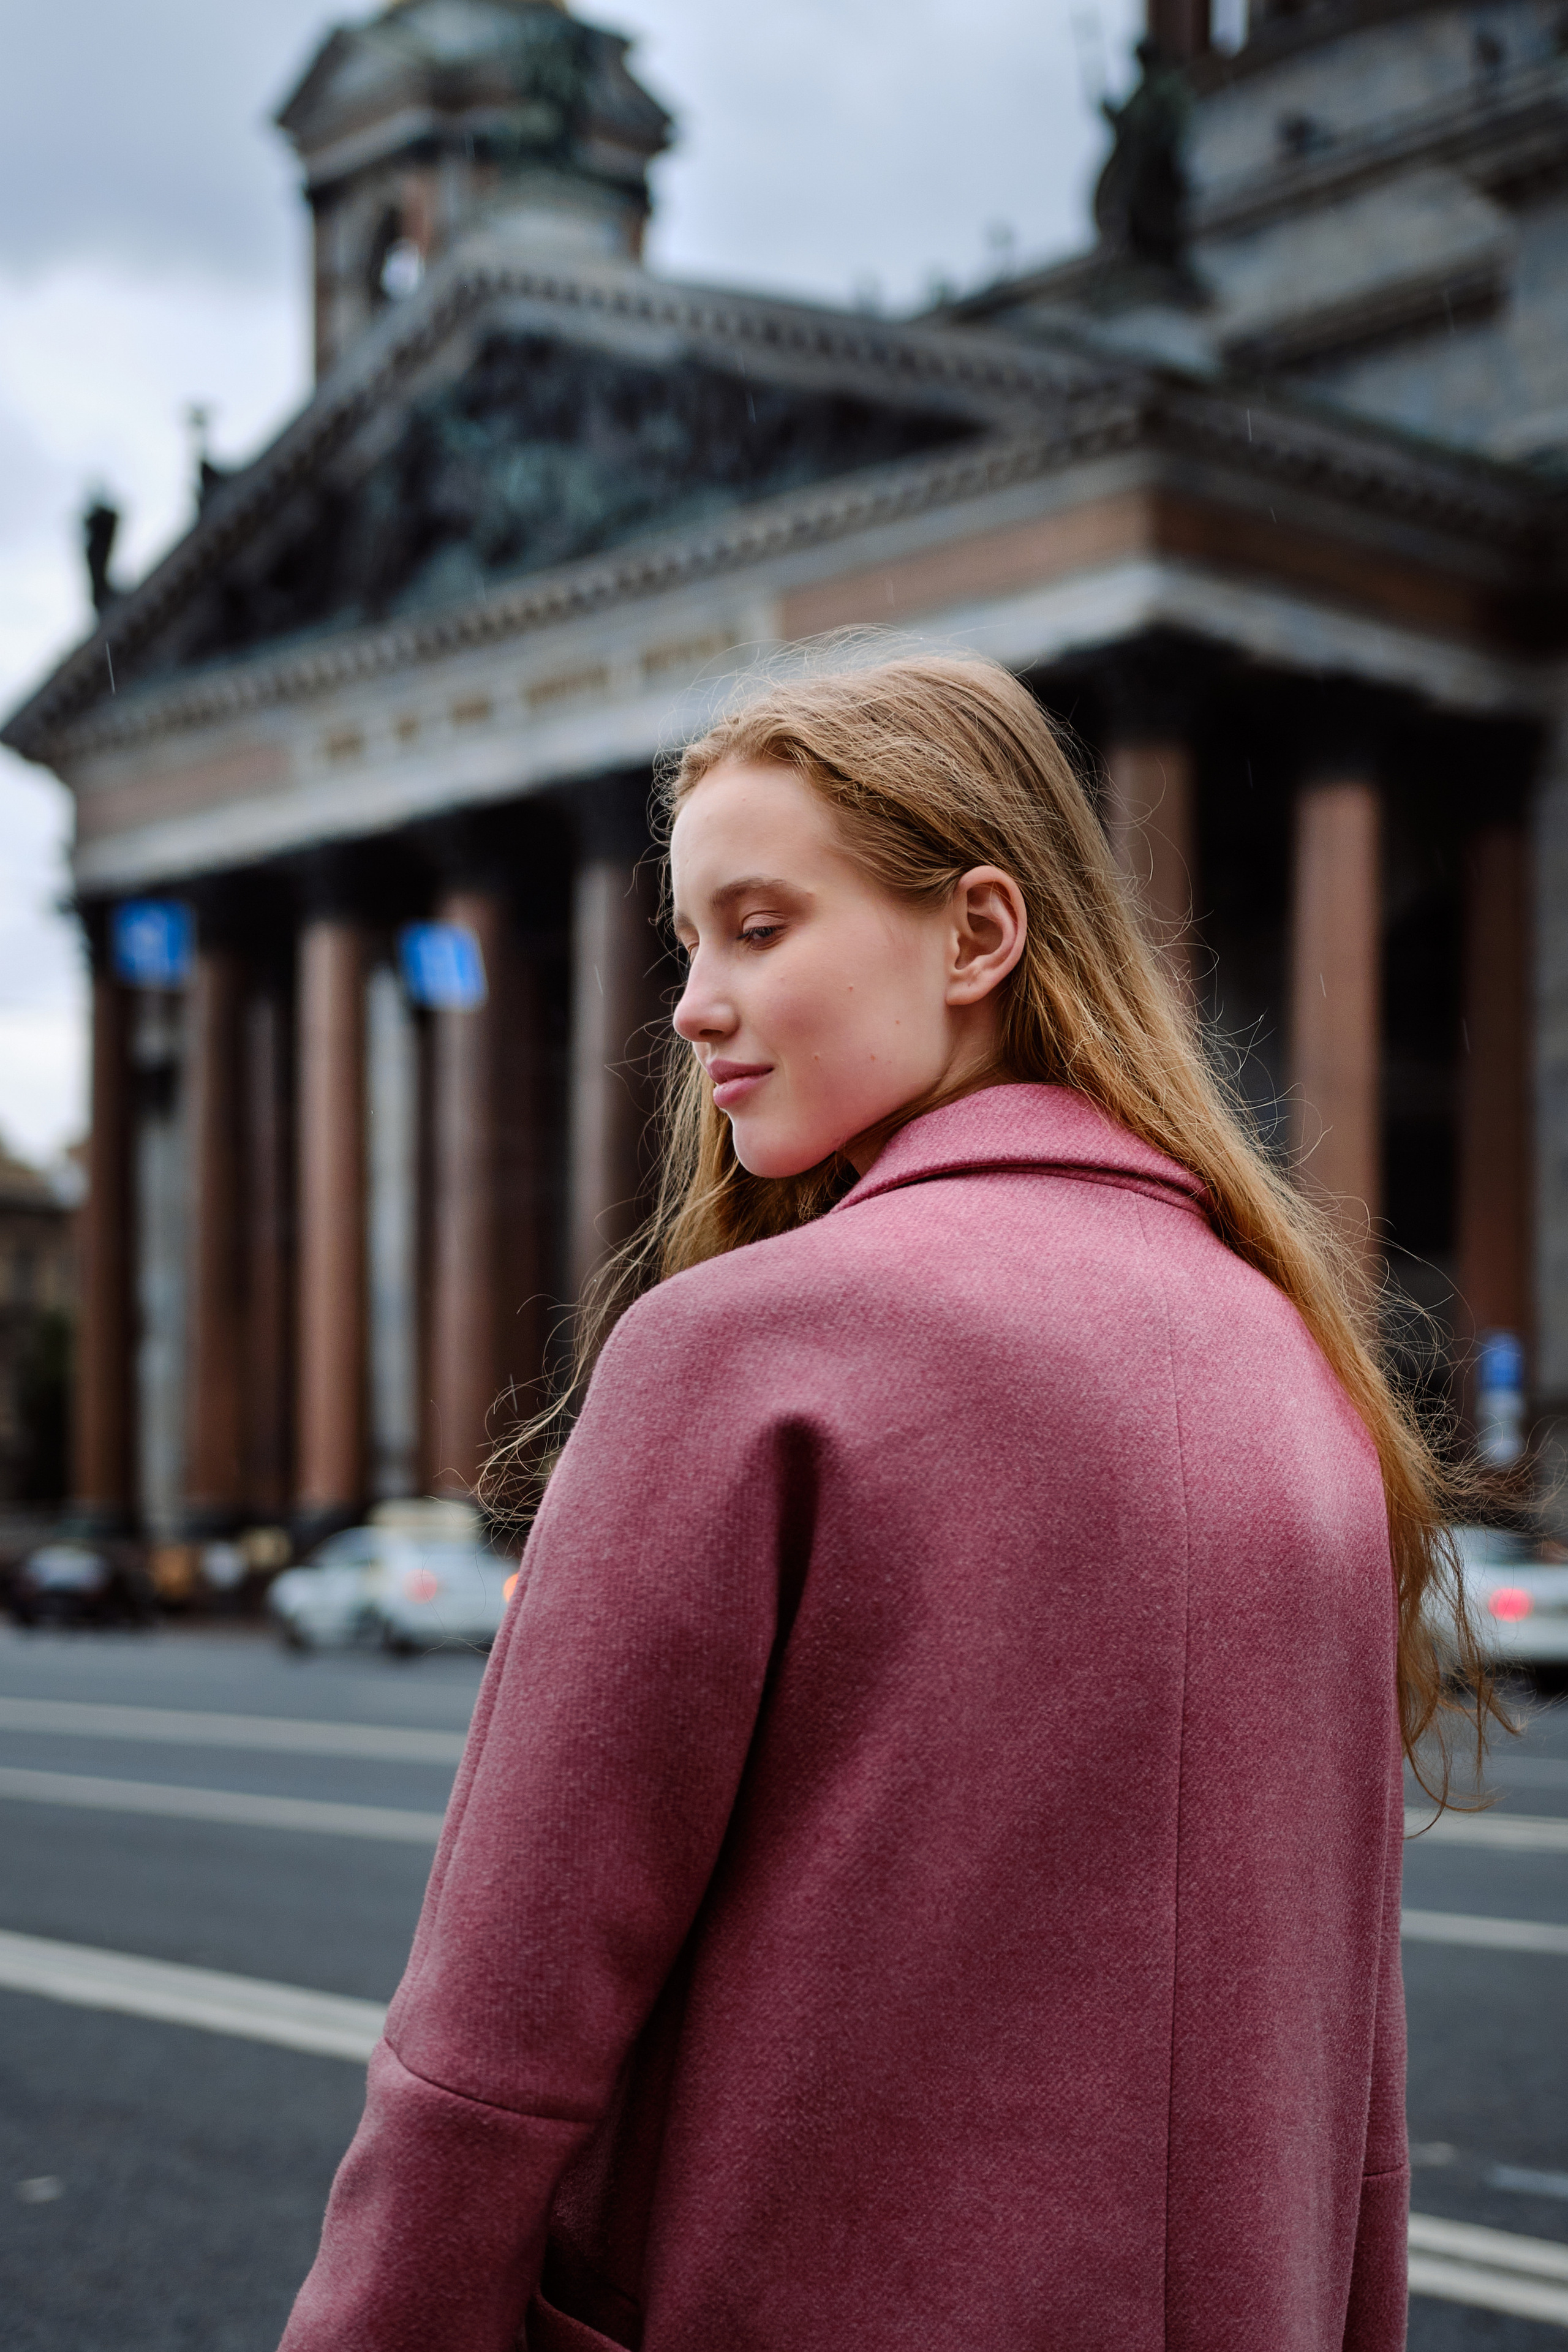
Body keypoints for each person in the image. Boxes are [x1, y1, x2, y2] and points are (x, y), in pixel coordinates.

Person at [279, 652, 1496, 2352]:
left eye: (760, 929)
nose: (694, 1006)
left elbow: (502, 2029)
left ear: (978, 933)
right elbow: (1347, 2052)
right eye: (689, 944)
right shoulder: (1296, 1364)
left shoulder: (744, 1349)